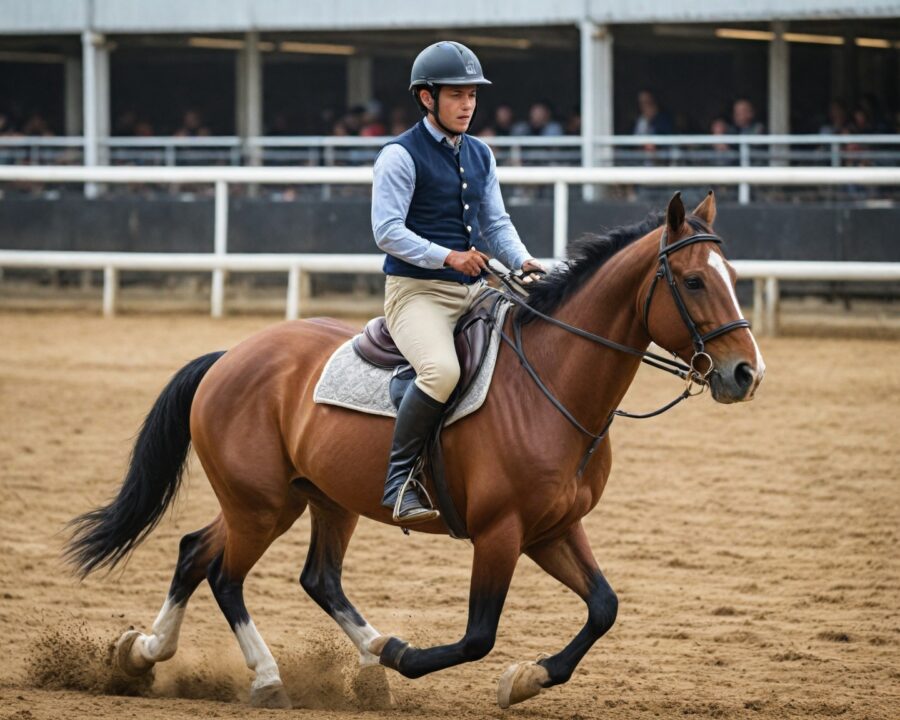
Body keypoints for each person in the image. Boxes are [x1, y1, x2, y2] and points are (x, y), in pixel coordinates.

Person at [371, 40, 545, 524]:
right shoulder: (399, 156)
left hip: (476, 290)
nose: (468, 104)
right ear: (427, 98)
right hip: (417, 295)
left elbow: (496, 223)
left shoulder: (481, 154)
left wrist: (524, 260)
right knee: (442, 372)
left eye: (472, 94)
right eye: (456, 95)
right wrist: (447, 256)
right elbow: (386, 232)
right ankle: (400, 479)